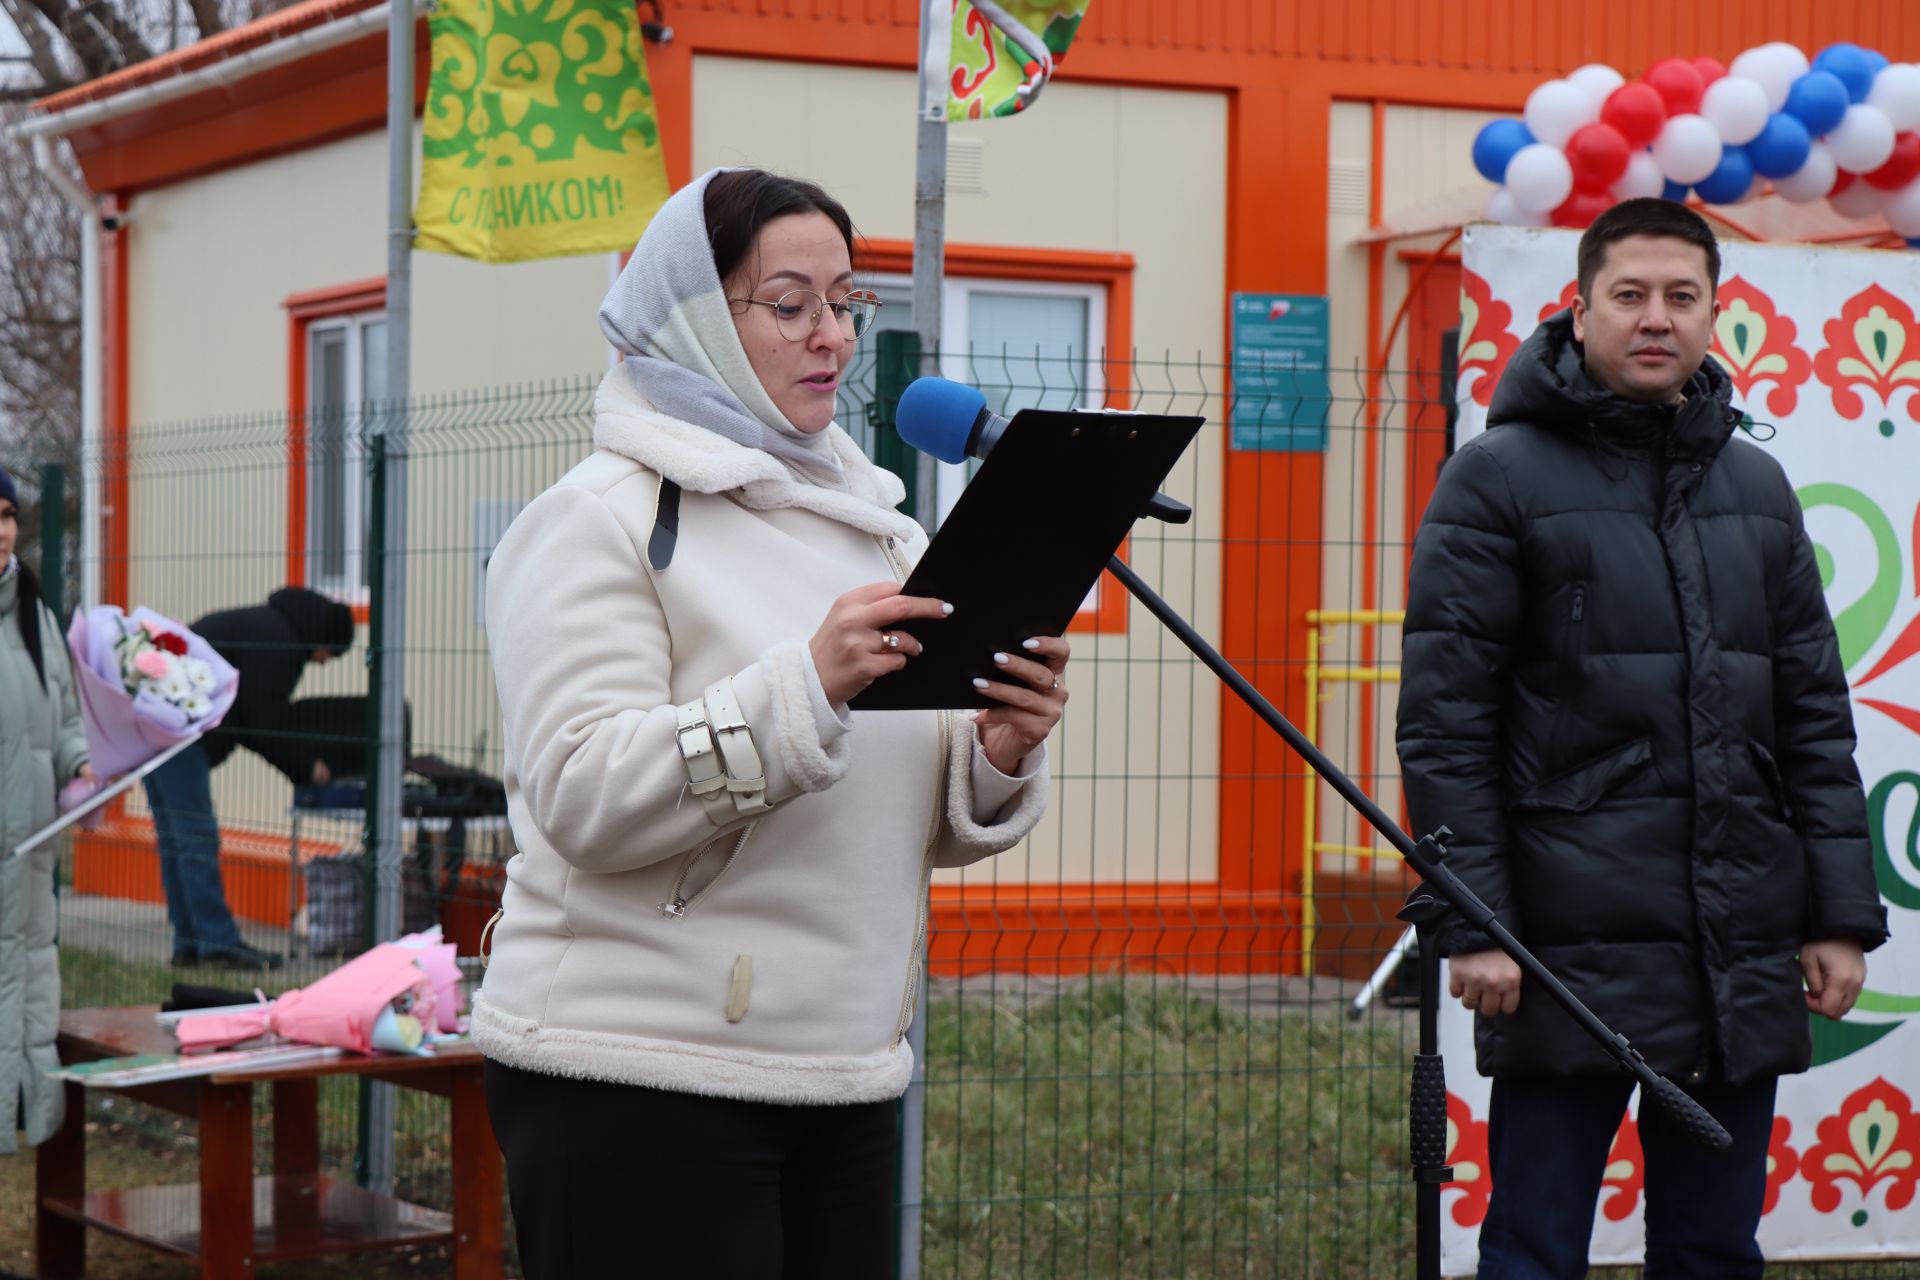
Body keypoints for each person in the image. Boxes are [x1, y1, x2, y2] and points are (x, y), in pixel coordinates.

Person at [474, 168, 1063, 1278]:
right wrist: (808, 685)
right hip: (636, 1071)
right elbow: (582, 794)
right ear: (696, 315)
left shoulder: (872, 527)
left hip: (840, 1066)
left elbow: (895, 812)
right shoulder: (598, 521)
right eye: (788, 303)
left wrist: (994, 752)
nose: (829, 335)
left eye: (846, 302)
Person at [1397, 197, 1889, 1279]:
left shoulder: (1757, 489)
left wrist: (1838, 915)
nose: (1655, 317)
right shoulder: (1498, 477)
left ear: (1716, 316)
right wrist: (1476, 923)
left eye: (1681, 296)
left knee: (1714, 1248)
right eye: (1629, 295)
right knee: (1534, 1246)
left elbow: (1812, 716)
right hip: (1562, 951)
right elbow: (1445, 720)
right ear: (1579, 313)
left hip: (1737, 944)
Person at [144, 585, 354, 969]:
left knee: (178, 841)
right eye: (330, 654)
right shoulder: (279, 642)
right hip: (177, 732)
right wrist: (307, 768)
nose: (323, 663)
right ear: (323, 638)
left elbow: (251, 716)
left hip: (155, 724)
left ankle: (189, 942)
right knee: (195, 838)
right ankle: (217, 943)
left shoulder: (264, 624)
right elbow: (265, 723)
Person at [0, 464, 93, 1155]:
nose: (0, 530)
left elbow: (62, 720)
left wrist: (82, 764)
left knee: (26, 992)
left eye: (6, 514)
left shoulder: (35, 615)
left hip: (30, 862)